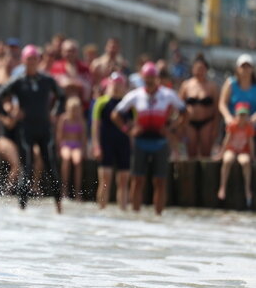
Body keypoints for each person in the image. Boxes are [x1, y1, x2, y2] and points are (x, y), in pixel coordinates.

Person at [0, 44, 65, 212]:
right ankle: (22, 210)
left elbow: (61, 96)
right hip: (26, 131)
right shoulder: (18, 81)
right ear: (24, 61)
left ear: (39, 60)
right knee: (26, 169)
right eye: (28, 59)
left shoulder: (47, 80)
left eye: (34, 59)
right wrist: (8, 115)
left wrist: (55, 113)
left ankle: (59, 208)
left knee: (51, 167)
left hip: (45, 130)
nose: (31, 62)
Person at [112, 62, 186, 215]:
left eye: (152, 77)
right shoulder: (135, 95)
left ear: (157, 78)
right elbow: (115, 114)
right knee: (138, 180)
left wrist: (172, 128)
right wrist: (128, 130)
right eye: (147, 78)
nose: (149, 81)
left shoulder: (167, 94)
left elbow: (185, 112)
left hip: (160, 141)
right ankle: (136, 216)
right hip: (141, 141)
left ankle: (158, 217)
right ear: (143, 78)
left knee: (160, 181)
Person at [91, 72, 130, 209]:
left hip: (123, 144)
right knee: (105, 180)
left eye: (119, 84)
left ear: (124, 86)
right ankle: (101, 211)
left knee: (124, 180)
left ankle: (123, 211)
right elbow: (95, 126)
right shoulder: (101, 102)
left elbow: (134, 125)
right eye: (114, 83)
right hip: (106, 143)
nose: (117, 87)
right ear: (109, 84)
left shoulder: (128, 103)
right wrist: (96, 146)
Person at [177, 54, 219, 159]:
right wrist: (180, 125)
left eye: (202, 68)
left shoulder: (212, 86)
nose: (199, 70)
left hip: (207, 122)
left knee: (206, 152)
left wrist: (215, 127)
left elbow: (216, 109)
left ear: (206, 70)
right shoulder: (186, 85)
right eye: (197, 68)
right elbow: (179, 106)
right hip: (190, 122)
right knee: (191, 152)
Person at [217, 102, 254, 207]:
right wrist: (221, 153)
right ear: (236, 114)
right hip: (232, 150)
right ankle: (222, 187)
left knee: (246, 162)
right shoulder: (232, 125)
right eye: (240, 115)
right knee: (227, 160)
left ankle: (247, 190)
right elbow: (226, 140)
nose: (242, 117)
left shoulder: (249, 127)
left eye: (244, 115)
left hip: (243, 151)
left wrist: (253, 156)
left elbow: (251, 143)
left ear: (247, 115)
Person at [56, 96, 86, 200]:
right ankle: (64, 190)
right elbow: (59, 135)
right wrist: (59, 148)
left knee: (77, 160)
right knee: (66, 158)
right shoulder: (64, 118)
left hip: (76, 144)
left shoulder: (81, 120)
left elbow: (83, 137)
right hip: (66, 144)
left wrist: (83, 149)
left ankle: (77, 191)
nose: (74, 112)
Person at [219, 54, 256, 129]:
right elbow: (222, 103)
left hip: (251, 126)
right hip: (232, 124)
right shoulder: (230, 83)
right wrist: (228, 117)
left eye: (248, 66)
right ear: (237, 68)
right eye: (243, 66)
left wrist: (252, 120)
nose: (245, 69)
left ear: (252, 69)